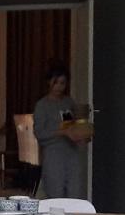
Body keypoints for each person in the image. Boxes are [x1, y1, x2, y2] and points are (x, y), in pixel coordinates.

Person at [33, 66, 89, 200]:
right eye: (56, 83)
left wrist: (81, 133)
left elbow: (72, 123)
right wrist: (62, 132)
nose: (59, 87)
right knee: (55, 194)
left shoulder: (68, 102)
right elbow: (40, 133)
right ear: (49, 82)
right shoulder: (42, 105)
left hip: (71, 152)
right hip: (53, 154)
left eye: (62, 83)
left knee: (75, 192)